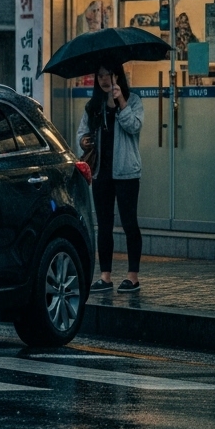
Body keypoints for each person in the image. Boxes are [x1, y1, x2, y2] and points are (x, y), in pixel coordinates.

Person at [76, 62, 143, 294]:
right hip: (101, 173)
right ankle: (105, 277)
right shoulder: (93, 106)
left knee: (129, 224)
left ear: (118, 76)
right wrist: (83, 141)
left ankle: (132, 277)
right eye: (100, 75)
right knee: (103, 226)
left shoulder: (133, 100)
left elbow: (134, 126)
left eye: (109, 75)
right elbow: (81, 134)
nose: (105, 80)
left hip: (126, 172)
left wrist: (121, 102)